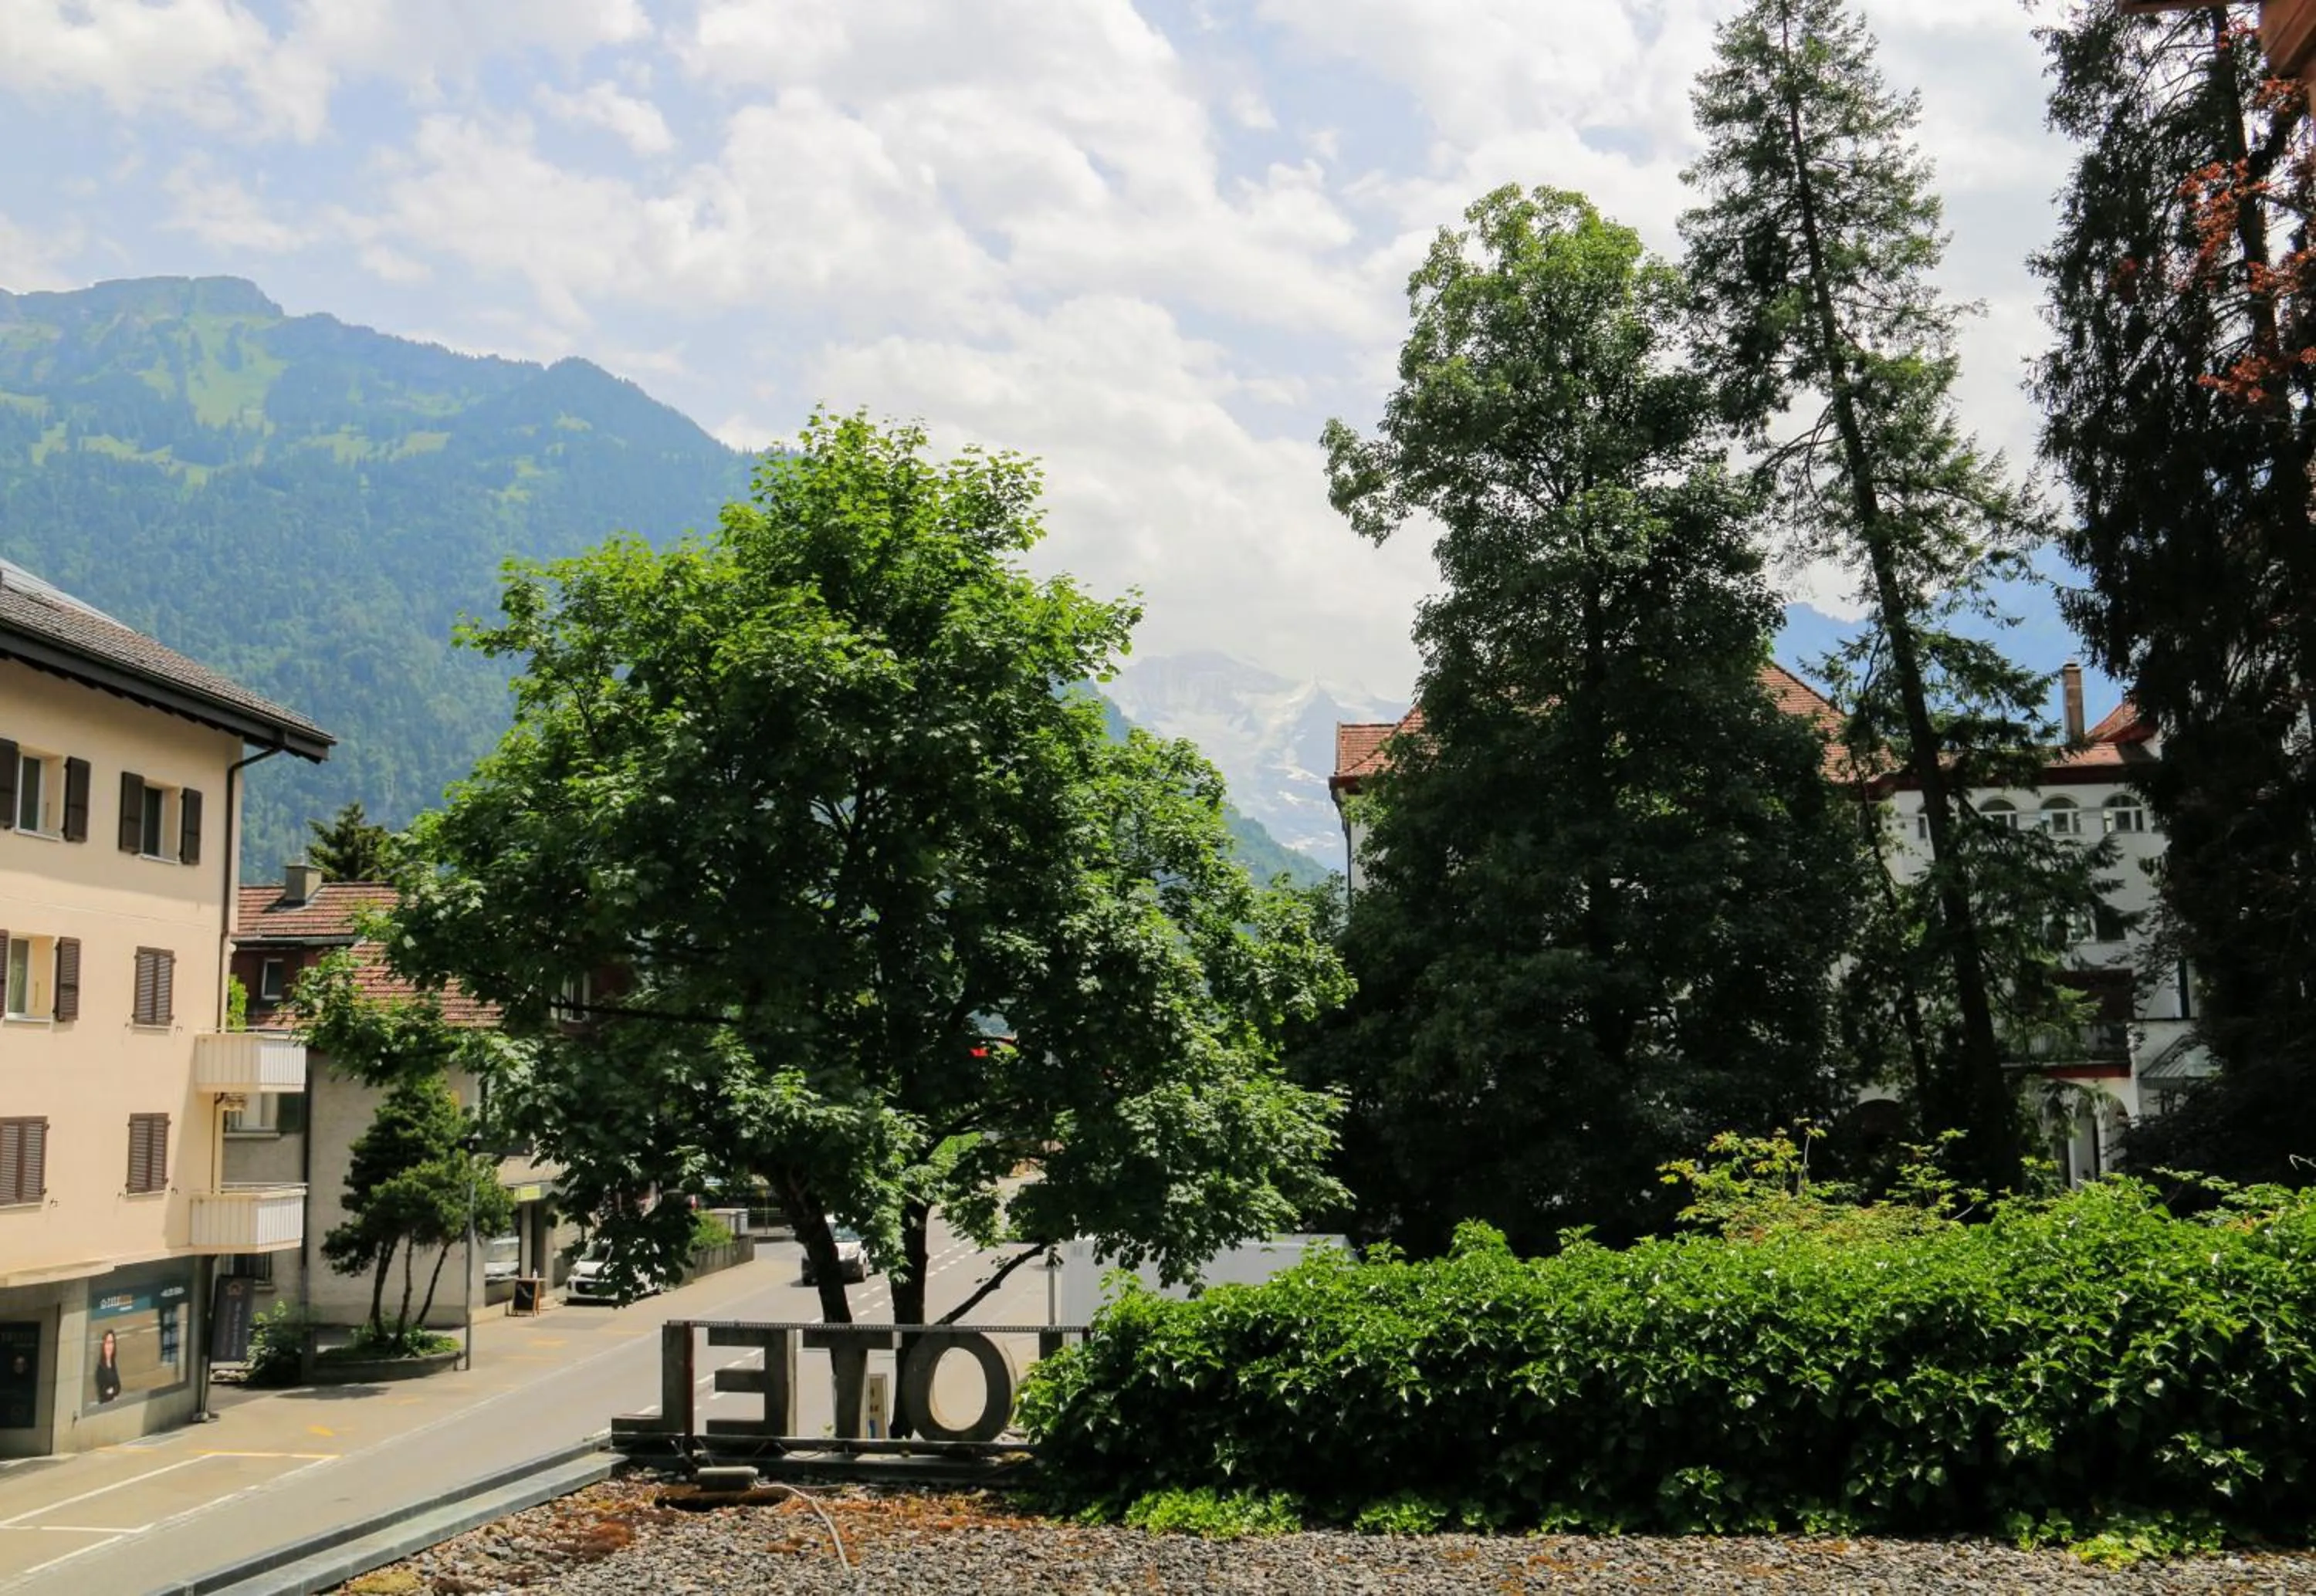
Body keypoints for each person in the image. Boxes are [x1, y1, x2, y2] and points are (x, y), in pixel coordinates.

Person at [94, 1329, 120, 1403]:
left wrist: (112, 1391)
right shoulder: (100, 1368)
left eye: (112, 1343)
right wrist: (113, 1392)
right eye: (108, 1343)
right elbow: (103, 1393)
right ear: (104, 1345)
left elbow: (118, 1386)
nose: (110, 1346)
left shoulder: (113, 1363)